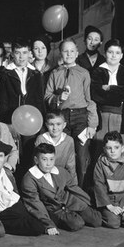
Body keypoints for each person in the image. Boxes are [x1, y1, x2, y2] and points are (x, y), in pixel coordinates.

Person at [45, 38, 98, 187]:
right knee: (62, 156)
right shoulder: (55, 73)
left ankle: (81, 192)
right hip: (62, 119)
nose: (68, 54)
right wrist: (57, 98)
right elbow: (47, 97)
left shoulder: (83, 73)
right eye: (65, 51)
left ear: (77, 53)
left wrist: (92, 124)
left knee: (82, 157)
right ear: (60, 53)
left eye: (71, 51)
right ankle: (62, 190)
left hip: (81, 117)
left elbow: (89, 99)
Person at [21, 143, 101, 235]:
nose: (48, 163)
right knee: (77, 224)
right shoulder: (29, 179)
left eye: (51, 159)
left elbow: (74, 188)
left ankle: (77, 214)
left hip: (69, 201)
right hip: (54, 209)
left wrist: (90, 203)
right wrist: (48, 224)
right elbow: (35, 204)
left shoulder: (60, 171)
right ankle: (72, 217)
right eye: (44, 159)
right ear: (36, 160)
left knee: (96, 220)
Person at [0, 138, 46, 236]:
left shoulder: (7, 172)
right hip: (1, 212)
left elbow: (15, 191)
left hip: (15, 206)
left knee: (42, 220)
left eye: (1, 156)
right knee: (36, 227)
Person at [90, 39, 124, 160]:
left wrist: (111, 88)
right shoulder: (97, 71)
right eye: (110, 52)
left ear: (121, 55)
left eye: (117, 53)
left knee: (122, 154)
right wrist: (121, 94)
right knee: (101, 152)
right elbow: (96, 94)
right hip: (103, 116)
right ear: (105, 53)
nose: (113, 55)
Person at [0, 37, 46, 124]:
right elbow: (3, 102)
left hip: (31, 120)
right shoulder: (6, 74)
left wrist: (41, 122)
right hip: (12, 119)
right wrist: (8, 124)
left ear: (29, 53)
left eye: (24, 52)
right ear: (12, 54)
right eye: (17, 53)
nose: (21, 57)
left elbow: (40, 101)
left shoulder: (36, 74)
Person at [35, 110, 76, 184]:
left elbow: (71, 165)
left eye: (58, 124)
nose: (55, 128)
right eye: (51, 124)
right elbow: (36, 163)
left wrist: (74, 184)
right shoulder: (41, 139)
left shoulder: (69, 140)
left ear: (64, 125)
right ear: (46, 125)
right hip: (43, 179)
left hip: (60, 177)